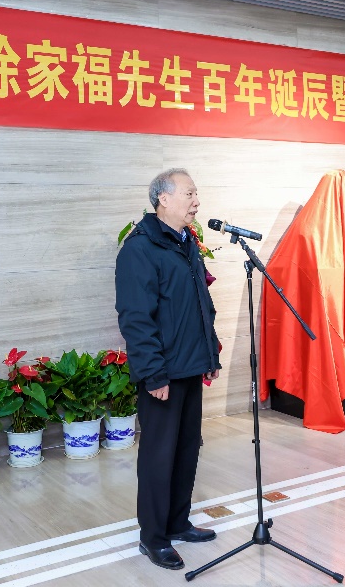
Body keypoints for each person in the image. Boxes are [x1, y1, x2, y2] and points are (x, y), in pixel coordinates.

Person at [115, 168, 222, 571]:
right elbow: (136, 318)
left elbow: (200, 305)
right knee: (158, 457)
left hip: (190, 365)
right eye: (189, 194)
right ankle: (154, 538)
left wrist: (209, 355)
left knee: (187, 449)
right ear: (164, 199)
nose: (197, 201)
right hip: (163, 373)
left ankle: (178, 522)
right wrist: (154, 374)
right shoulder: (140, 249)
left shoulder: (185, 242)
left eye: (196, 193)